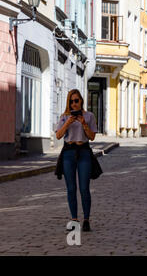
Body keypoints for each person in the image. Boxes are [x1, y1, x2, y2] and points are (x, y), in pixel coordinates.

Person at [55, 89, 98, 232]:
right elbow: (58, 136)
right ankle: (74, 219)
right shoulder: (64, 117)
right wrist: (68, 123)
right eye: (71, 101)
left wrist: (84, 123)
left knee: (84, 188)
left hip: (84, 151)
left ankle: (86, 219)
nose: (74, 104)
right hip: (68, 152)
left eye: (76, 101)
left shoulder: (89, 116)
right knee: (71, 188)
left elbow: (92, 137)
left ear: (81, 101)